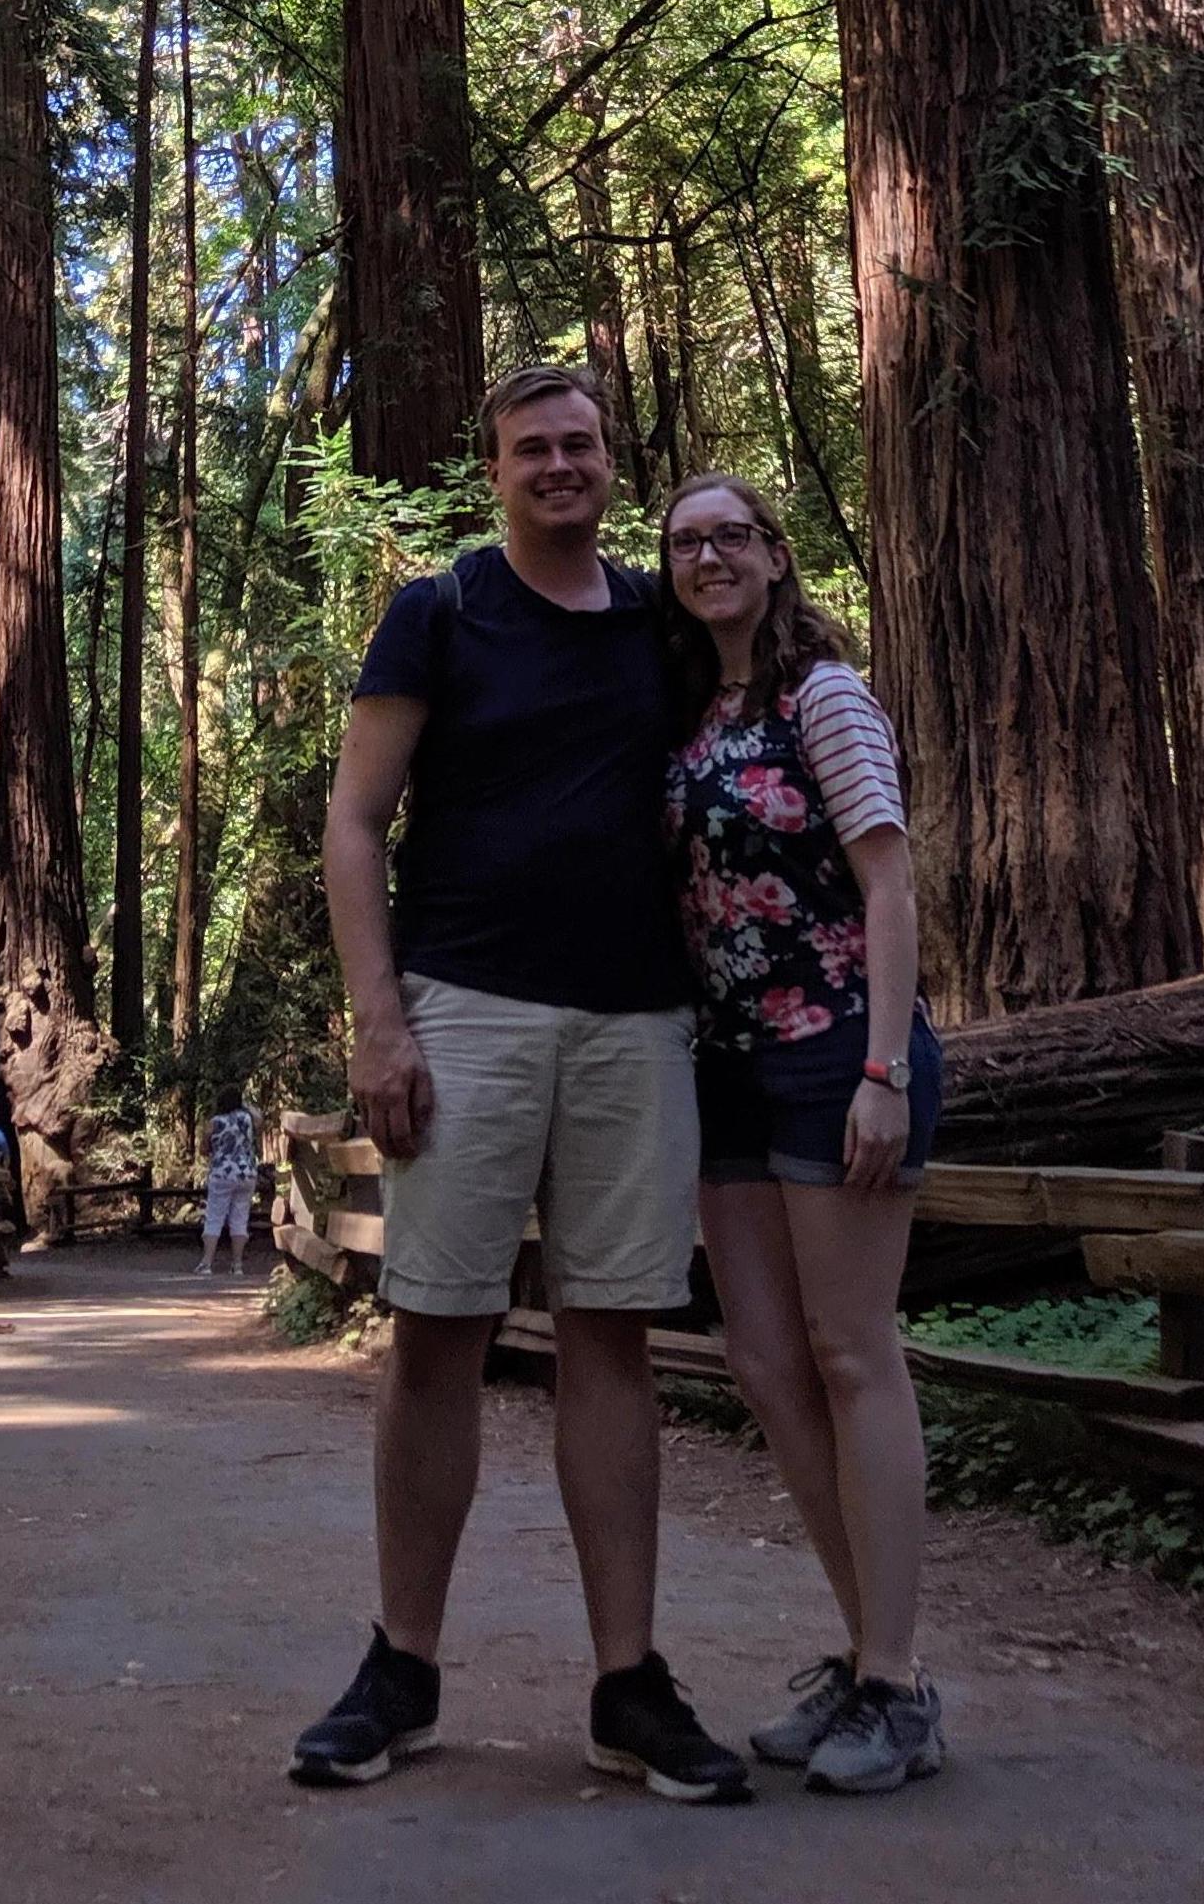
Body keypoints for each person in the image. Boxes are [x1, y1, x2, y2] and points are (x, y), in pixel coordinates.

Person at [288, 366, 749, 1806]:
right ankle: (401, 1666)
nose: (560, 465)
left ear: (614, 464)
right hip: (466, 1010)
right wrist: (380, 1020)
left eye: (581, 445)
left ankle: (628, 1681)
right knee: (439, 1330)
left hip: (635, 1020)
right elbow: (357, 820)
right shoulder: (440, 611)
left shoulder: (658, 626)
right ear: (492, 469)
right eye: (531, 447)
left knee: (612, 1339)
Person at [660, 472, 946, 1796]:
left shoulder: (822, 697)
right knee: (766, 1362)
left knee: (847, 1348)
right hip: (723, 1067)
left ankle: (895, 1680)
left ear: (775, 559)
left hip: (835, 1048)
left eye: (730, 536)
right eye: (684, 542)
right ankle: (863, 1658)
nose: (707, 555)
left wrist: (883, 1068)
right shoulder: (689, 714)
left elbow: (887, 877)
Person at [196, 1080, 260, 1278]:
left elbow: (203, 1148)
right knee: (240, 1219)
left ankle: (206, 1263)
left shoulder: (215, 1122)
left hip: (222, 1173)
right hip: (246, 1173)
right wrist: (245, 1105)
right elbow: (260, 1119)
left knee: (214, 1217)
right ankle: (238, 1265)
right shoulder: (248, 1119)